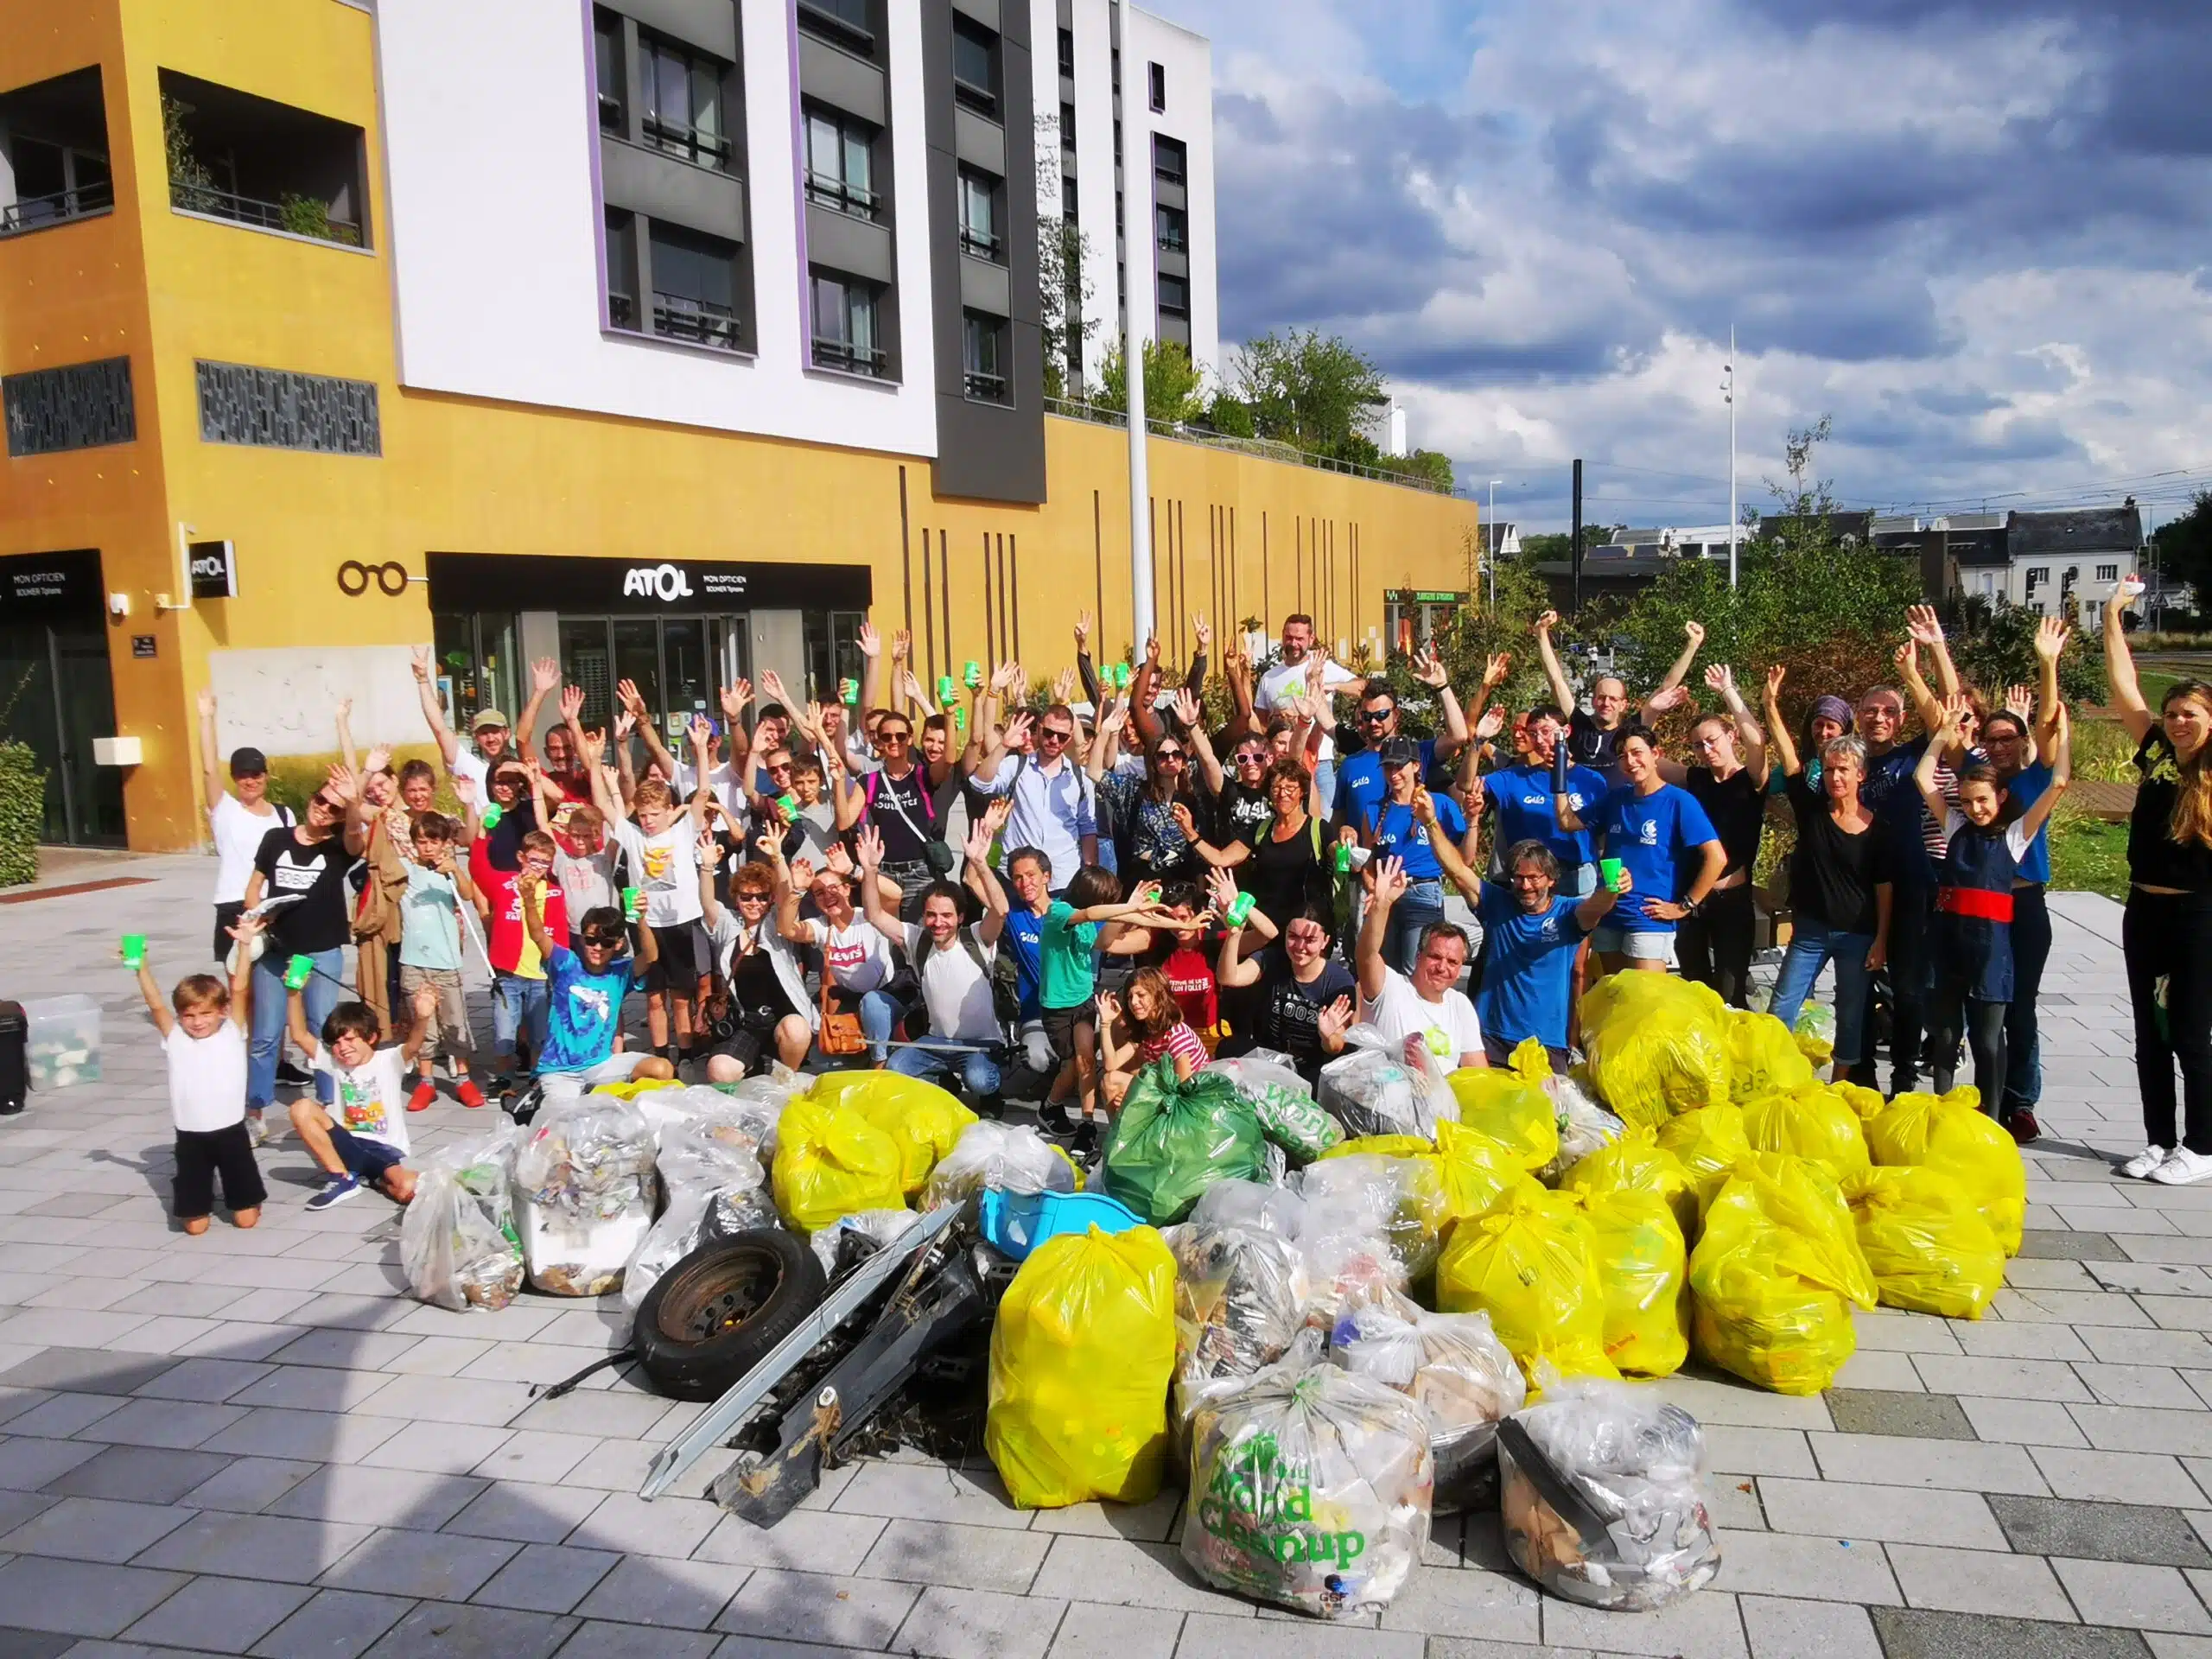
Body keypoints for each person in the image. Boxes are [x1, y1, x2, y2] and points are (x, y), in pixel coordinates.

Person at [1912, 699, 2070, 1139]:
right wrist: (1942, 737)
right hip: (1949, 943)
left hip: (1993, 949)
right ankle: (1943, 1113)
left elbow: (2058, 782)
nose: (1975, 808)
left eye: (1982, 800)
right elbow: (1922, 777)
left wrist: (2066, 733)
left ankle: (1993, 1120)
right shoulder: (1955, 827)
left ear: (2000, 798)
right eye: (1966, 801)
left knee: (1986, 1040)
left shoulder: (2016, 836)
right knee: (1945, 1037)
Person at [2102, 588, 2212, 1184]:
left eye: (2190, 714)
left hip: (2199, 915)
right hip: (2143, 909)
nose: (2177, 722)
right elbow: (2124, 688)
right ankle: (2158, 1140)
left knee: (2192, 1032)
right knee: (2150, 1034)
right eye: (2172, 715)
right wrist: (2112, 618)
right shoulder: (2158, 754)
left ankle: (2200, 1146)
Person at [1401, 791, 1624, 1072]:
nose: (1526, 885)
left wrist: (1613, 889)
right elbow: (1457, 871)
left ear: (1552, 880)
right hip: (1491, 1039)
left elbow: (1598, 906)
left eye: (1534, 878)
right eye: (1519, 877)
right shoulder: (1498, 903)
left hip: (1546, 1044)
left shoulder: (1568, 913)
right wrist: (1431, 822)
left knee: (1542, 1117)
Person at [240, 764, 368, 1141]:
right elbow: (255, 885)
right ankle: (255, 1112)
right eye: (320, 801)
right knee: (265, 1034)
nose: (323, 810)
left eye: (333, 809)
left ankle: (329, 1107)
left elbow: (357, 836)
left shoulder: (338, 848)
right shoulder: (276, 838)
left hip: (322, 952)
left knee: (322, 1029)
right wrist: (254, 917)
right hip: (277, 951)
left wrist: (353, 800)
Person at [1979, 617, 2070, 1134]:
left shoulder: (2036, 778)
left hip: (2027, 903)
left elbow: (2052, 722)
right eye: (1992, 740)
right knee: (1989, 1006)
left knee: (2023, 1007)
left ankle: (2021, 1102)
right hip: (1986, 907)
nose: (2001, 746)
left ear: (2022, 739)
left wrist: (2047, 662)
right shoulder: (1981, 784)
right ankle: (1989, 1095)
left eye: (2010, 736)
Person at [1765, 724, 1891, 1083]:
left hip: (1858, 935)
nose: (1836, 777)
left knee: (1851, 1013)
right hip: (1811, 931)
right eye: (1831, 769)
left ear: (1860, 775)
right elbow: (1790, 765)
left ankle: (1839, 1086)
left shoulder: (1878, 829)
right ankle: (1777, 1076)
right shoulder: (1813, 812)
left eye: (1844, 770)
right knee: (1781, 1007)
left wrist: (1881, 940)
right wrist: (1772, 707)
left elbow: (1885, 888)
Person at [860, 821, 1011, 1115]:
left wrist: (980, 863)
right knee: (896, 1068)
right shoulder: (918, 940)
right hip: (937, 1040)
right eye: (931, 915)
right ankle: (944, 1080)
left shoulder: (977, 938)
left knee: (979, 1079)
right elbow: (874, 914)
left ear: (961, 917)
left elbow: (1001, 909)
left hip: (980, 1043)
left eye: (946, 915)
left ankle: (992, 1093)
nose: (938, 922)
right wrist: (869, 871)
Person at [133, 916, 268, 1236]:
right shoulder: (175, 1037)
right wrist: (140, 966)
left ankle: (244, 1193)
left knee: (246, 1221)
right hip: (191, 1136)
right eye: (189, 1015)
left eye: (205, 1013)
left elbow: (240, 988)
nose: (197, 1022)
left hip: (231, 1132)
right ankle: (195, 1189)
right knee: (195, 1227)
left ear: (220, 1012)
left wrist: (245, 945)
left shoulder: (232, 1030)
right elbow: (155, 1004)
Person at [1557, 730, 1725, 977]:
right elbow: (1567, 822)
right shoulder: (1616, 799)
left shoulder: (1679, 801)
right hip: (1610, 914)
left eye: (1637, 753)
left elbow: (1717, 857)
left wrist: (1685, 906)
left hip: (1649, 920)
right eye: (1623, 756)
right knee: (1616, 998)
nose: (1631, 762)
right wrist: (1559, 775)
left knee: (1647, 1003)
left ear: (1655, 754)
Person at [521, 886, 676, 1102]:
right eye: (592, 940)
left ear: (619, 944)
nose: (598, 947)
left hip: (601, 1064)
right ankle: (542, 1095)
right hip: (560, 1070)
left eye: (607, 942)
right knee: (566, 1126)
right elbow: (538, 935)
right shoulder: (565, 963)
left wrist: (641, 920)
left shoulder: (621, 973)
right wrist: (529, 901)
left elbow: (650, 956)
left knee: (662, 1069)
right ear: (583, 939)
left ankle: (601, 1097)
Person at [1675, 664, 1771, 1007]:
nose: (1706, 749)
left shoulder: (1751, 780)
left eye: (1712, 740)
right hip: (1692, 900)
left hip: (1732, 900)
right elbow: (1646, 757)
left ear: (1730, 736)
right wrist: (1660, 704)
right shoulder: (1695, 779)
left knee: (1731, 994)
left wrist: (1728, 691)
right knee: (1695, 991)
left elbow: (1757, 740)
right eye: (1698, 745)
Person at [285, 986, 432, 1211]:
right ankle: (341, 1178)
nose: (342, 1048)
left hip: (384, 1149)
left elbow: (413, 1045)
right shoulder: (334, 1062)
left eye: (349, 1039)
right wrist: (293, 992)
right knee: (301, 1108)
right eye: (335, 1043)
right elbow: (299, 1035)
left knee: (408, 1189)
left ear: (371, 1037)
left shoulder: (388, 1060)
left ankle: (373, 1179)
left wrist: (423, 1017)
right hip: (346, 1143)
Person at [1209, 870, 1357, 1083]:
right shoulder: (1272, 960)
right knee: (1229, 1046)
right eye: (1293, 937)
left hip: (1312, 1071)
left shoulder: (1339, 981)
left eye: (1310, 939)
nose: (1300, 947)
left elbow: (1336, 1048)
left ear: (1325, 942)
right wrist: (1234, 933)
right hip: (1271, 1063)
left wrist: (1327, 1036)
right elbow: (1229, 978)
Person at [632, 719, 716, 1065]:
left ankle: (683, 1058)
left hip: (681, 921)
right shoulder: (634, 836)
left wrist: (699, 749)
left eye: (654, 814)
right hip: (648, 923)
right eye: (643, 814)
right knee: (654, 999)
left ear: (669, 811)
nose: (648, 820)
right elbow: (612, 805)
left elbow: (703, 793)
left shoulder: (682, 832)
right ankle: (659, 1056)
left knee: (681, 997)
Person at [1354, 736, 1475, 976]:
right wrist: (1374, 890)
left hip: (1423, 893)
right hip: (1387, 895)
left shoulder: (1440, 804)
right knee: (1384, 972)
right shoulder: (1373, 809)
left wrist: (1473, 822)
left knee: (1417, 970)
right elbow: (1369, 862)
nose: (1394, 773)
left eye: (1399, 766)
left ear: (1416, 766)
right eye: (1388, 767)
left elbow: (1466, 859)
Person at [697, 836, 815, 1080]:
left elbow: (786, 895)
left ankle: (787, 1079)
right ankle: (753, 1065)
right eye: (746, 897)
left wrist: (778, 857)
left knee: (797, 1030)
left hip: (783, 1016)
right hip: (747, 1022)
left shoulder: (775, 924)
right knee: (718, 1071)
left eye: (762, 897)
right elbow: (708, 904)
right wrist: (707, 867)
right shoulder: (728, 926)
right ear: (736, 898)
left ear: (769, 899)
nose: (754, 903)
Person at [1357, 855, 1485, 1071]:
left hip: (1443, 1100)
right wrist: (1383, 905)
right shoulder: (1390, 987)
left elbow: (1478, 1074)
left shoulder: (1460, 1005)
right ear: (1418, 956)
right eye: (1435, 957)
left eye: (1453, 962)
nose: (1442, 967)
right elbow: (1366, 955)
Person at [1536, 612, 1703, 776]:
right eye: (1601, 698)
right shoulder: (1579, 725)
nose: (1606, 703)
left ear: (1623, 705)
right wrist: (1542, 634)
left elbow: (1666, 687)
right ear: (1594, 701)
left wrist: (1692, 646)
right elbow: (1556, 681)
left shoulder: (1631, 730)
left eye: (1613, 699)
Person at [779, 844, 902, 1066]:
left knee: (872, 1003)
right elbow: (787, 929)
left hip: (885, 998)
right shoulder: (822, 928)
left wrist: (854, 869)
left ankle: (880, 1066)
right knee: (845, 1058)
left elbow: (895, 895)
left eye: (834, 888)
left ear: (847, 889)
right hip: (852, 1002)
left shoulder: (868, 916)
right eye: (819, 893)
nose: (828, 896)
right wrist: (797, 891)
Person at [197, 690, 295, 963]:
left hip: (273, 907)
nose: (250, 781)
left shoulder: (284, 815)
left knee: (275, 982)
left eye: (256, 774)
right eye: (242, 775)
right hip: (235, 904)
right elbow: (208, 769)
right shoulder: (225, 809)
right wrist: (206, 718)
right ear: (234, 778)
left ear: (266, 776)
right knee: (238, 983)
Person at [397, 811, 486, 1112]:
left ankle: (462, 1078)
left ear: (445, 843)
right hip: (413, 959)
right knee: (424, 1023)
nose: (428, 847)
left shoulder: (448, 872)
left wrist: (455, 871)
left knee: (454, 1021)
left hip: (446, 960)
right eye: (421, 841)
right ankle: (426, 1082)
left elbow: (468, 894)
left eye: (434, 841)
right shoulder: (406, 871)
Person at [1330, 649, 1471, 836]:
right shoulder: (1350, 765)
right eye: (1367, 716)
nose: (1373, 722)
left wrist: (1442, 687)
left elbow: (1458, 736)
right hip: (1365, 862)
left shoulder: (1416, 753)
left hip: (1408, 860)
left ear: (1396, 715)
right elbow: (1337, 820)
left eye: (1381, 715)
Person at [471, 825, 567, 1090]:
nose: (539, 867)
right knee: (504, 1032)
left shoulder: (555, 893)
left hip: (540, 976)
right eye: (534, 860)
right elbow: (478, 869)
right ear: (521, 858)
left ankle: (538, 1078)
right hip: (508, 975)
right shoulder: (504, 884)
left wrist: (561, 971)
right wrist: (482, 832)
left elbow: (560, 937)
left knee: (539, 1035)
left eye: (545, 862)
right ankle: (503, 1078)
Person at [969, 705, 1098, 899]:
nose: (1054, 740)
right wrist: (1004, 745)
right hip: (1017, 879)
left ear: (1070, 736)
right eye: (1049, 733)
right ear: (1038, 729)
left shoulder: (1079, 778)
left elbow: (1087, 829)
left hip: (1063, 880)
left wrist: (1090, 873)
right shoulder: (1016, 766)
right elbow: (980, 784)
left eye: (1062, 736)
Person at [1479, 705, 1607, 894]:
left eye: (1546, 732)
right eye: (1533, 733)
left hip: (1577, 878)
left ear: (1566, 731)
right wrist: (1479, 740)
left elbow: (1602, 836)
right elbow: (1466, 786)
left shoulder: (1592, 780)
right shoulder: (1514, 776)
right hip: (1529, 879)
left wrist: (1606, 882)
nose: (1539, 740)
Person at [410, 645, 552, 802]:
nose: (490, 738)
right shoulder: (468, 764)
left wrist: (539, 692)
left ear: (506, 733)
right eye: (484, 733)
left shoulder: (519, 764)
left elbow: (524, 736)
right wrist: (422, 680)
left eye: (495, 731)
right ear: (476, 737)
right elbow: (439, 729)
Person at [1252, 612, 1363, 803]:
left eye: (1300, 639)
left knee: (1326, 822)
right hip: (1283, 765)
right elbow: (1260, 724)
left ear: (1311, 639)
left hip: (1320, 762)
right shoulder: (1269, 677)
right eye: (1289, 637)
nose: (1294, 643)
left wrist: (1332, 686)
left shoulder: (1323, 667)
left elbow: (1363, 687)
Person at [1098, 968, 1210, 1108]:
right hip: (1167, 1093)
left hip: (1193, 1102)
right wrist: (1105, 1023)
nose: (1134, 1002)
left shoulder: (1176, 1034)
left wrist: (1143, 1097)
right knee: (1110, 1080)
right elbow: (1111, 1064)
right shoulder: (1147, 1030)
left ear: (1158, 996)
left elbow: (1183, 1091)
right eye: (1130, 997)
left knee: (1119, 1084)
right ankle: (1118, 1130)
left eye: (1141, 995)